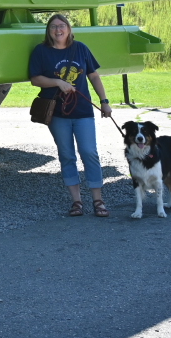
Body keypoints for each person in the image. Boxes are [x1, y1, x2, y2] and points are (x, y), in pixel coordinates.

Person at [28, 13, 113, 217]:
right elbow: (35, 79)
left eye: (62, 25)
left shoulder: (80, 48)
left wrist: (104, 101)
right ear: (48, 31)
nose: (58, 30)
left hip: (83, 110)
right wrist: (58, 82)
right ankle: (77, 202)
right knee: (66, 155)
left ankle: (98, 200)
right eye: (53, 26)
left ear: (69, 28)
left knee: (89, 153)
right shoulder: (41, 51)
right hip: (57, 113)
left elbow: (93, 75)